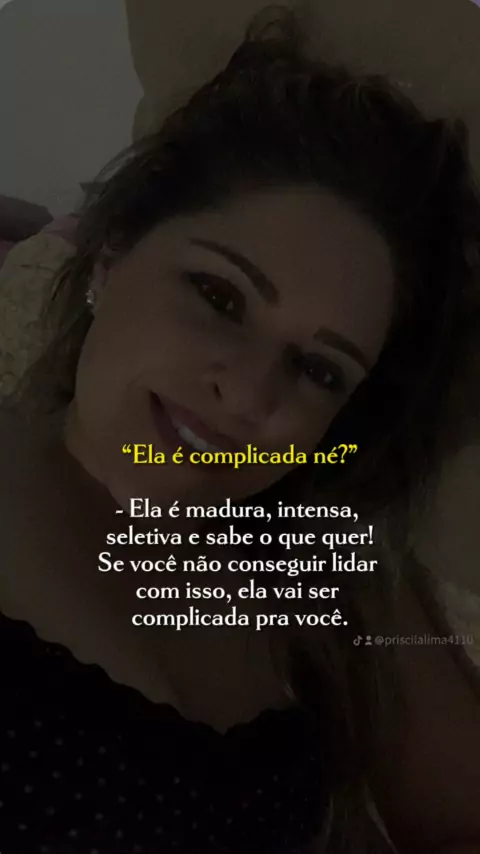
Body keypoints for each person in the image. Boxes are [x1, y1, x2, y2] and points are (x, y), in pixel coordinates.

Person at [1, 7, 479, 854]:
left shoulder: (321, 568)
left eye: (319, 369)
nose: (249, 394)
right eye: (220, 296)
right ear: (111, 257)